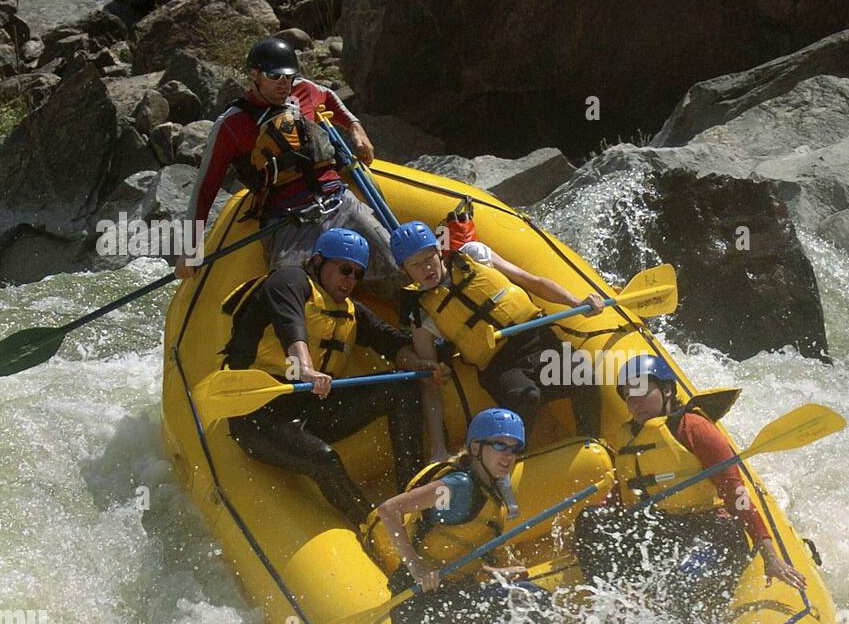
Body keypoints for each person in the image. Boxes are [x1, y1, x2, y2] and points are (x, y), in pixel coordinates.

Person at [221, 228, 445, 525]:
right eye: (344, 269)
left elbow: (388, 339)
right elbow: (290, 322)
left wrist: (421, 364)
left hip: (311, 412)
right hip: (258, 417)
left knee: (402, 387)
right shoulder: (289, 281)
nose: (349, 280)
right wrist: (305, 367)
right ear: (318, 262)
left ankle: (413, 495)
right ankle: (372, 525)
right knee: (324, 459)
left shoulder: (351, 311)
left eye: (356, 275)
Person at [574, 355, 806, 618]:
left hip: (714, 531)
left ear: (667, 390)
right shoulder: (630, 436)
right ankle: (613, 603)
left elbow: (736, 494)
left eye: (641, 391)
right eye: (628, 396)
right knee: (592, 520)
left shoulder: (694, 428)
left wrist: (770, 555)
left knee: (678, 581)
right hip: (664, 528)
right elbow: (624, 489)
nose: (634, 403)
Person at [179, 37, 395, 286]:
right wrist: (191, 246)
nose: (284, 83)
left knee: (398, 264)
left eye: (288, 76)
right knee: (288, 292)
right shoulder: (231, 124)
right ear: (254, 74)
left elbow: (328, 96)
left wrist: (355, 127)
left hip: (338, 202)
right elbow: (205, 187)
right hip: (288, 221)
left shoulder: (303, 90)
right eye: (274, 76)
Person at [388, 216, 605, 458]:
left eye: (429, 257)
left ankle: (592, 446)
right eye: (415, 264)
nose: (426, 268)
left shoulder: (475, 254)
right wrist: (437, 446)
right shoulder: (421, 312)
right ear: (403, 270)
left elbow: (532, 282)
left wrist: (575, 302)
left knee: (584, 378)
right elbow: (430, 383)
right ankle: (513, 465)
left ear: (439, 250)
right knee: (526, 397)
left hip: (536, 338)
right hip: (498, 364)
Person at [365, 407, 546, 624]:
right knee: (528, 599)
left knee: (529, 593)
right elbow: (389, 509)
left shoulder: (490, 491)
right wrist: (417, 568)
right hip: (417, 608)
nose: (508, 456)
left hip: (451, 597)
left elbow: (460, 553)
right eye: (499, 445)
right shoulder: (458, 486)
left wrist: (495, 574)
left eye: (514, 449)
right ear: (475, 448)